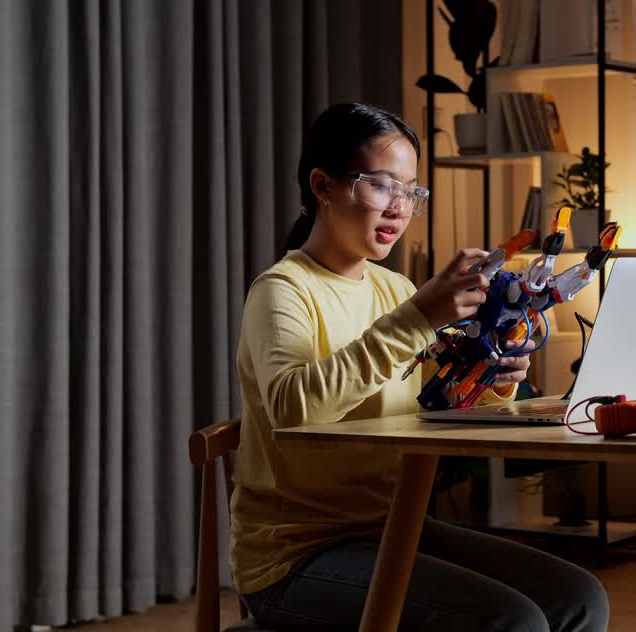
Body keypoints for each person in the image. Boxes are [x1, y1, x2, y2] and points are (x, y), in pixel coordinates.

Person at [231, 103, 609, 631]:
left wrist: (493, 376)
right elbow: (293, 409)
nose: (399, 208)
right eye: (383, 186)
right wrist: (417, 320)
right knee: (511, 620)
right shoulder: (283, 290)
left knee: (579, 597)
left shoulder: (395, 289)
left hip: (393, 525)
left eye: (411, 192)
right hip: (296, 553)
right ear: (323, 185)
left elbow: (433, 402)